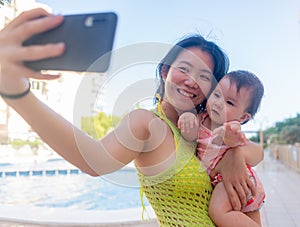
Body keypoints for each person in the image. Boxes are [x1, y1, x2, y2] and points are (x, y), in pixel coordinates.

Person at [0, 8, 263, 226]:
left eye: (205, 76)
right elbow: (92, 160)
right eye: (184, 68)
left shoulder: (200, 133)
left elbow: (253, 158)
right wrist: (16, 92)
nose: (192, 81)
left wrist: (236, 156)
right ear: (165, 72)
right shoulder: (147, 124)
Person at [178, 70, 266, 226]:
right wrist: (187, 118)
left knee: (218, 212)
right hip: (224, 180)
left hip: (232, 179)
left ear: (243, 117)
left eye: (230, 102)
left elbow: (235, 140)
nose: (218, 102)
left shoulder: (232, 126)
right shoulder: (201, 117)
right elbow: (190, 134)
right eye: (217, 95)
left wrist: (230, 138)